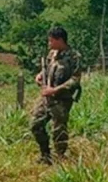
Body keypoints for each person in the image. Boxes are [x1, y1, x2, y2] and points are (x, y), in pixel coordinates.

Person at [30, 26, 82, 165]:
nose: (49, 44)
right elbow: (47, 69)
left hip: (62, 99)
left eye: (51, 41)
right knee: (35, 124)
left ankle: (61, 157)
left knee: (59, 130)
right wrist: (40, 76)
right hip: (46, 97)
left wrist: (54, 90)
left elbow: (75, 80)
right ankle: (45, 155)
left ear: (60, 40)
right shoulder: (51, 54)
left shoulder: (74, 57)